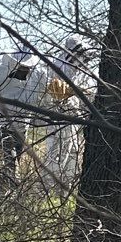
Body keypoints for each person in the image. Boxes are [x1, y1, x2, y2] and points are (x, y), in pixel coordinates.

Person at [0, 45, 49, 178]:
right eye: (21, 67)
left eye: (26, 68)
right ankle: (9, 192)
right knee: (10, 162)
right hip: (0, 123)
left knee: (15, 160)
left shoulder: (38, 76)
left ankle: (4, 189)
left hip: (21, 125)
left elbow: (49, 89)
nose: (24, 71)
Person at [41, 34, 96, 189]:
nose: (83, 61)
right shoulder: (58, 67)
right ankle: (48, 187)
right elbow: (57, 92)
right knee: (57, 153)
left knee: (72, 152)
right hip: (58, 117)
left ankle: (66, 186)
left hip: (71, 116)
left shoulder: (73, 69)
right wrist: (77, 91)